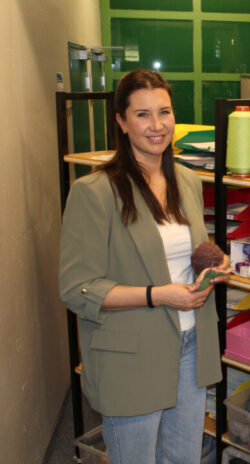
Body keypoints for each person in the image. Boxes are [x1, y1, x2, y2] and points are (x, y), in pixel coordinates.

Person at [59, 69, 229, 463]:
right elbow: (76, 288)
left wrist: (212, 264)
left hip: (190, 345)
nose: (157, 126)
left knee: (184, 458)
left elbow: (177, 253)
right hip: (130, 355)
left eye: (164, 112)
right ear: (120, 121)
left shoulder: (187, 179)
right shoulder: (93, 192)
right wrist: (159, 296)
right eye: (142, 115)